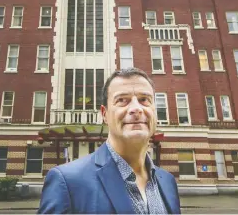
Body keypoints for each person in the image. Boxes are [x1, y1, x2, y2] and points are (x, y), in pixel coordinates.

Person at [38, 68, 181, 214]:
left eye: (144, 100)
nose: (136, 108)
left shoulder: (168, 182)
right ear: (104, 114)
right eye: (122, 100)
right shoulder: (67, 182)